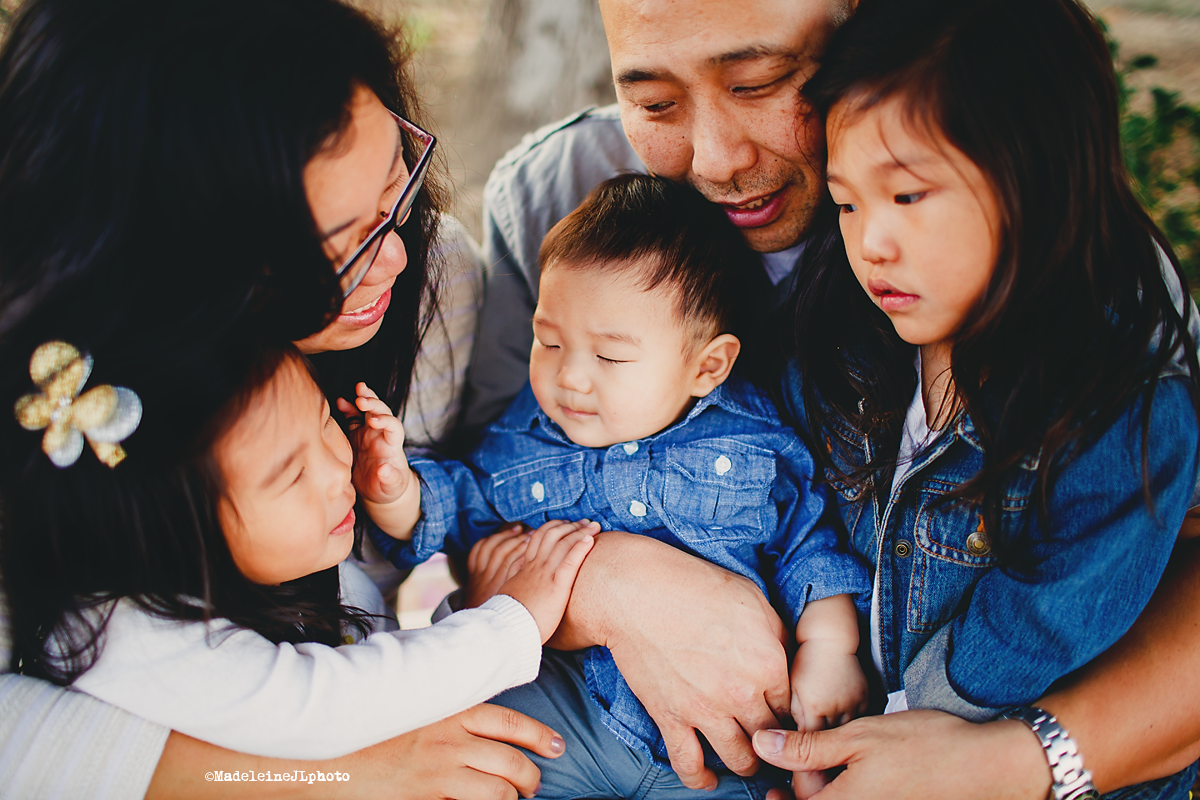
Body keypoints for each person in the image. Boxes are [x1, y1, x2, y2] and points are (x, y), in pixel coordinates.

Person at [466, 0, 1200, 796]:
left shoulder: (1082, 309)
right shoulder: (560, 203)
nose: (715, 160)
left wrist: (1002, 759)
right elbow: (474, 518)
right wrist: (611, 584)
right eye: (653, 103)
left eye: (760, 82)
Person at [0, 0, 561, 797]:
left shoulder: (435, 281)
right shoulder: (64, 427)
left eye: (395, 190)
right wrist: (323, 775)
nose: (397, 254)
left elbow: (499, 503)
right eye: (340, 250)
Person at [363, 173, 871, 798]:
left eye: (609, 357)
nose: (570, 377)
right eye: (548, 340)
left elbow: (809, 546)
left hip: (720, 747)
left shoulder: (749, 442)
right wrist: (397, 494)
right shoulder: (526, 437)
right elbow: (460, 507)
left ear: (706, 366)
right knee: (460, 758)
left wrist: (830, 648)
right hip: (560, 710)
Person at [4, 338, 595, 758]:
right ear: (178, 538)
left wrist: (465, 609)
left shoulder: (309, 562)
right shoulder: (127, 634)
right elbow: (320, 704)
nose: (339, 469)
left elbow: (382, 651)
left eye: (324, 424)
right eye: (290, 476)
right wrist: (506, 624)